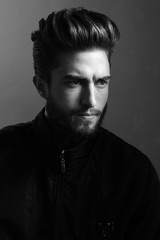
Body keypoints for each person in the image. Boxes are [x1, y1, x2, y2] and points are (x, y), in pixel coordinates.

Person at [0, 7, 160, 240]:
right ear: (41, 86)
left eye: (102, 82)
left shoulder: (134, 174)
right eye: (74, 82)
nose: (91, 101)